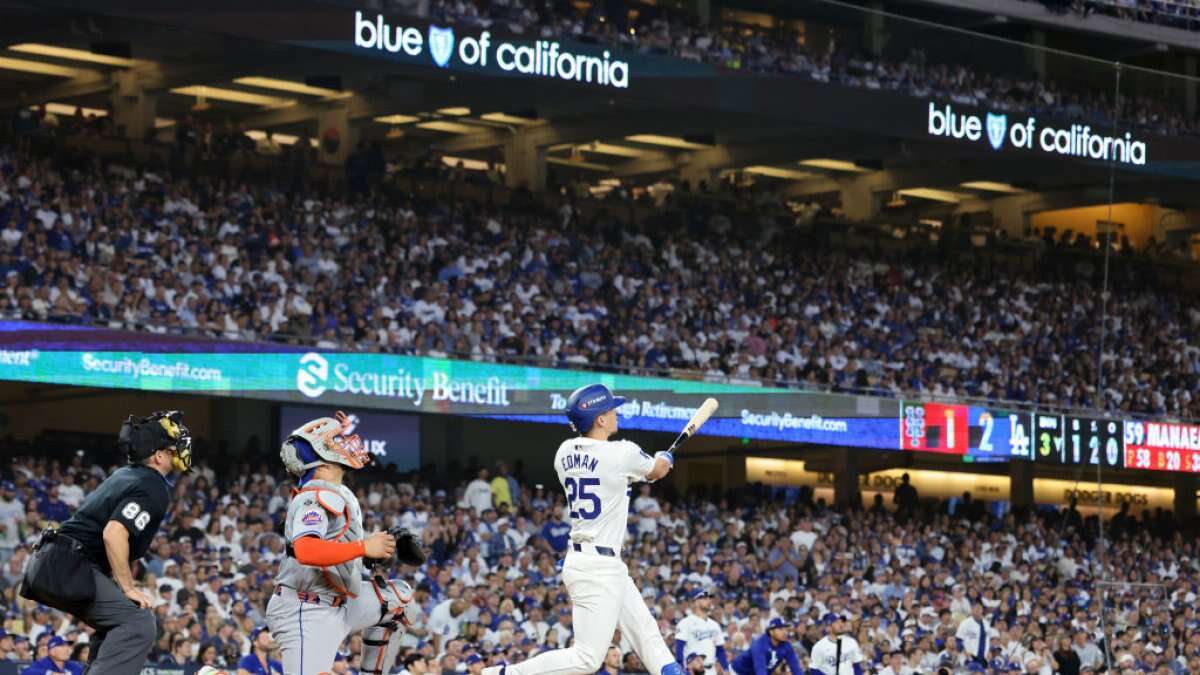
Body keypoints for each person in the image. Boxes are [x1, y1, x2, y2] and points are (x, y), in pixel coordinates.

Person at [481, 384, 679, 675]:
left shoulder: (564, 453)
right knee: (587, 658)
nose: (615, 413)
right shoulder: (622, 452)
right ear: (599, 419)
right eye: (611, 410)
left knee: (648, 635)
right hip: (597, 566)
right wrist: (666, 457)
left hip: (595, 561)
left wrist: (658, 462)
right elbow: (657, 471)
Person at [26, 411, 192, 675]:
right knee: (138, 624)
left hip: (54, 561)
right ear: (158, 456)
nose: (179, 450)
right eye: (173, 448)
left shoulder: (129, 474)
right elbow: (114, 534)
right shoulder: (153, 484)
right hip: (67, 565)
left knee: (119, 622)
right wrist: (127, 587)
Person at [265, 410, 424, 675]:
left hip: (338, 602)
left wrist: (376, 550)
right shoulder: (313, 496)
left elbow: (333, 545)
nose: (345, 443)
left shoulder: (335, 490)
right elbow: (306, 550)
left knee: (400, 600)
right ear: (323, 462)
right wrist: (362, 547)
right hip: (306, 611)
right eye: (335, 441)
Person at [675, 589, 728, 674]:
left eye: (709, 598)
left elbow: (720, 650)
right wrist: (683, 670)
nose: (708, 600)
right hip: (694, 671)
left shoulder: (714, 624)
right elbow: (679, 649)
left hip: (711, 670)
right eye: (704, 598)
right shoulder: (685, 623)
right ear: (695, 602)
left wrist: (725, 669)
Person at [729, 618, 803, 675]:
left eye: (785, 629)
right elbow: (760, 669)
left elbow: (795, 667)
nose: (785, 632)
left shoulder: (786, 645)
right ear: (771, 631)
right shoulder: (759, 644)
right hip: (737, 671)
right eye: (780, 629)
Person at [20, 636, 84, 675]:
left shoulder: (72, 665)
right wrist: (50, 674)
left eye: (67, 646)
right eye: (62, 646)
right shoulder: (42, 664)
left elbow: (80, 671)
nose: (67, 649)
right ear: (52, 651)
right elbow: (26, 672)